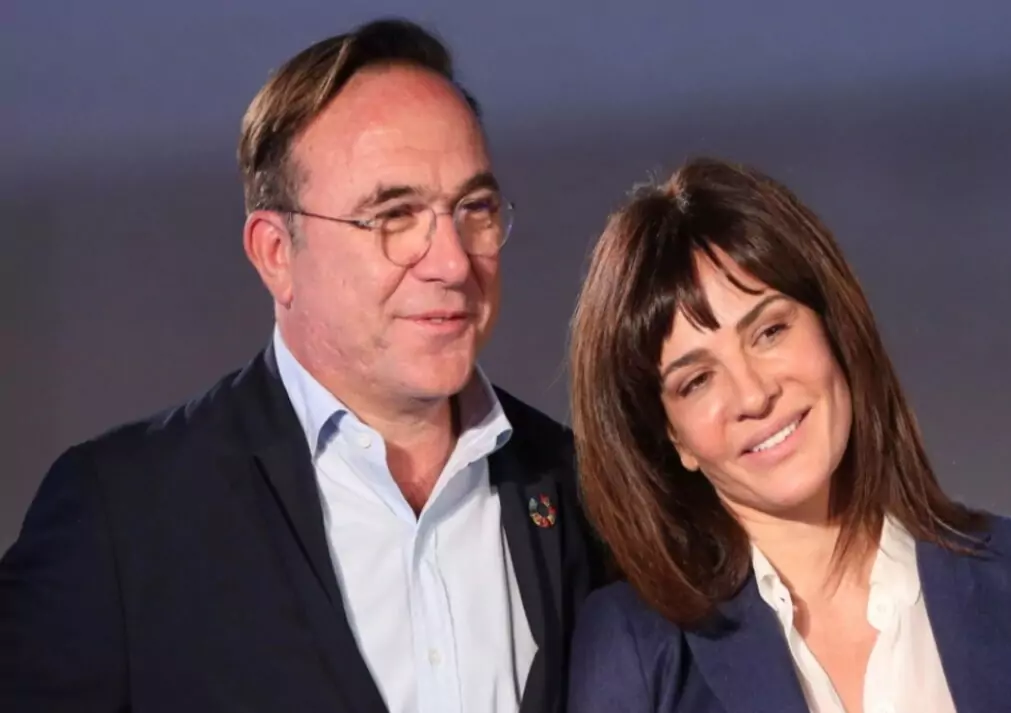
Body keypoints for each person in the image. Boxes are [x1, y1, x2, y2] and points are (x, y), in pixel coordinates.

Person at [0, 18, 603, 713]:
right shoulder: (125, 517)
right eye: (393, 215)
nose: (451, 261)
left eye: (475, 208)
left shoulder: (581, 493)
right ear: (276, 254)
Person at [565, 157, 1011, 713]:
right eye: (697, 381)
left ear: (833, 329)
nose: (754, 395)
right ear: (673, 438)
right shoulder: (635, 648)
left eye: (770, 331)